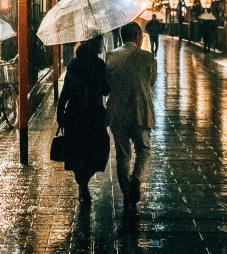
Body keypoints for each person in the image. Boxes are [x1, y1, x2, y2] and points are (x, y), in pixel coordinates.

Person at [106, 22, 157, 208]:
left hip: (117, 111)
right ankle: (136, 179)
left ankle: (126, 191)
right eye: (141, 35)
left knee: (123, 155)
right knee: (143, 149)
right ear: (136, 35)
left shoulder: (110, 56)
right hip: (141, 110)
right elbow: (150, 82)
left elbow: (108, 84)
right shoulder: (148, 57)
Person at [56, 35, 110, 205]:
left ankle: (82, 185)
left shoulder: (74, 63)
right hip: (94, 114)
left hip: (74, 114)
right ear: (97, 44)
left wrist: (59, 112)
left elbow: (65, 91)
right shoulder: (99, 64)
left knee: (78, 151)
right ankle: (84, 183)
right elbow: (106, 91)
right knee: (97, 149)